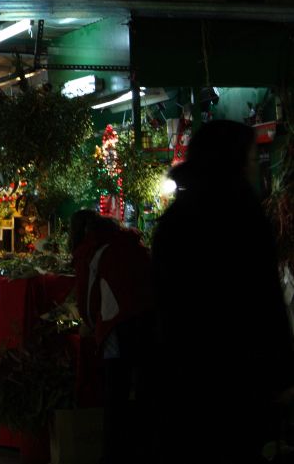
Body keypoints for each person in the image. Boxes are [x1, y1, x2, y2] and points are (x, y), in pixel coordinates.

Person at [151, 120, 294, 463]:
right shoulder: (242, 215)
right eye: (247, 156)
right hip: (236, 376)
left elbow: (163, 301)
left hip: (184, 378)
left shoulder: (173, 221)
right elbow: (263, 298)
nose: (251, 164)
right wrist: (280, 371)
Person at [69, 209, 152, 464]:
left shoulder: (91, 252)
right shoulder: (132, 244)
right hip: (148, 321)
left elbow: (87, 298)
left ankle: (114, 453)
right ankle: (144, 448)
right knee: (144, 388)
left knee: (115, 390)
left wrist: (93, 326)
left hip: (116, 323)